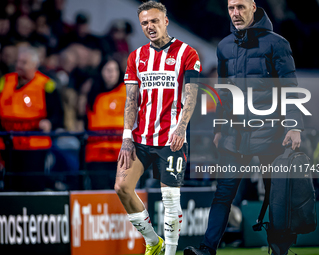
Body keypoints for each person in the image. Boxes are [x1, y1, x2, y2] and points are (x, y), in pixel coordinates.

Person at [184, 1, 303, 255]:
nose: (235, 13)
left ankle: (279, 251)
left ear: (253, 7)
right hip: (234, 133)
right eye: (230, 8)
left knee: (276, 194)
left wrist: (294, 126)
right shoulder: (224, 46)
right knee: (223, 193)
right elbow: (224, 93)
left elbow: (290, 88)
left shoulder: (277, 43)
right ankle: (207, 250)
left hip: (270, 131)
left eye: (240, 7)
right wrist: (218, 128)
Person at [114, 1, 201, 255]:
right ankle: (153, 242)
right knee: (121, 188)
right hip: (140, 138)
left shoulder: (187, 53)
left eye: (154, 21)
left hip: (171, 138)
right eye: (144, 23)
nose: (149, 27)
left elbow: (192, 94)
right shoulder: (136, 56)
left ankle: (171, 253)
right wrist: (126, 138)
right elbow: (131, 100)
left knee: (171, 201)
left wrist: (181, 128)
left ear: (165, 22)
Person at [0, 46, 63, 191]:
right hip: (8, 145)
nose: (19, 66)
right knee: (10, 186)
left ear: (34, 65)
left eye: (24, 63)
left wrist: (49, 123)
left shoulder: (47, 85)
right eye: (18, 62)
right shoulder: (4, 81)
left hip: (34, 145)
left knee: (32, 184)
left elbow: (58, 115)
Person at [82, 59, 125, 189]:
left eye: (114, 70)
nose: (111, 74)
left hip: (121, 156)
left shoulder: (128, 92)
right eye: (107, 70)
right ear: (101, 72)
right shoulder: (93, 94)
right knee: (99, 192)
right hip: (97, 155)